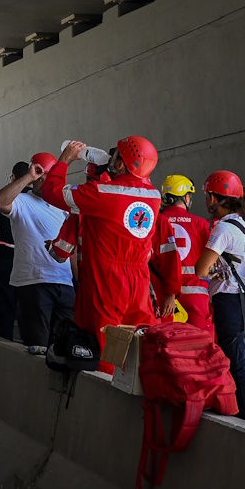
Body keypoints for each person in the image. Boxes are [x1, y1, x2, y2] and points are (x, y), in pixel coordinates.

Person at [42, 137, 161, 370]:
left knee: (103, 344)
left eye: (115, 154)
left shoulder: (101, 192)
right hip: (139, 280)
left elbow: (52, 192)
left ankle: (103, 393)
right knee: (141, 343)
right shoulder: (154, 196)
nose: (110, 157)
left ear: (119, 165)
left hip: (106, 279)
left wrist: (65, 159)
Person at [192, 171, 245, 424]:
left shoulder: (222, 228)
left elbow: (200, 268)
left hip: (230, 302)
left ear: (214, 198)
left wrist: (211, 269)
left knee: (238, 365)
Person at [0, 153, 73, 352]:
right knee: (38, 347)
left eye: (47, 177)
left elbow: (74, 248)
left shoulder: (64, 207)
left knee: (64, 347)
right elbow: (0, 202)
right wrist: (29, 176)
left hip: (65, 283)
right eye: (40, 177)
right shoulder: (22, 201)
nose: (42, 182)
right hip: (34, 283)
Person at [154, 175, 211, 335]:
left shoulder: (156, 222)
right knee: (200, 347)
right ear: (186, 197)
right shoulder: (200, 223)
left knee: (168, 349)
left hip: (163, 297)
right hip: (195, 296)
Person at [0, 164, 24, 341]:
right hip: (29, 258)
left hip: (7, 259)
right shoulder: (38, 197)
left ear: (14, 177)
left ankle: (4, 340)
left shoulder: (3, 198)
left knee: (4, 302)